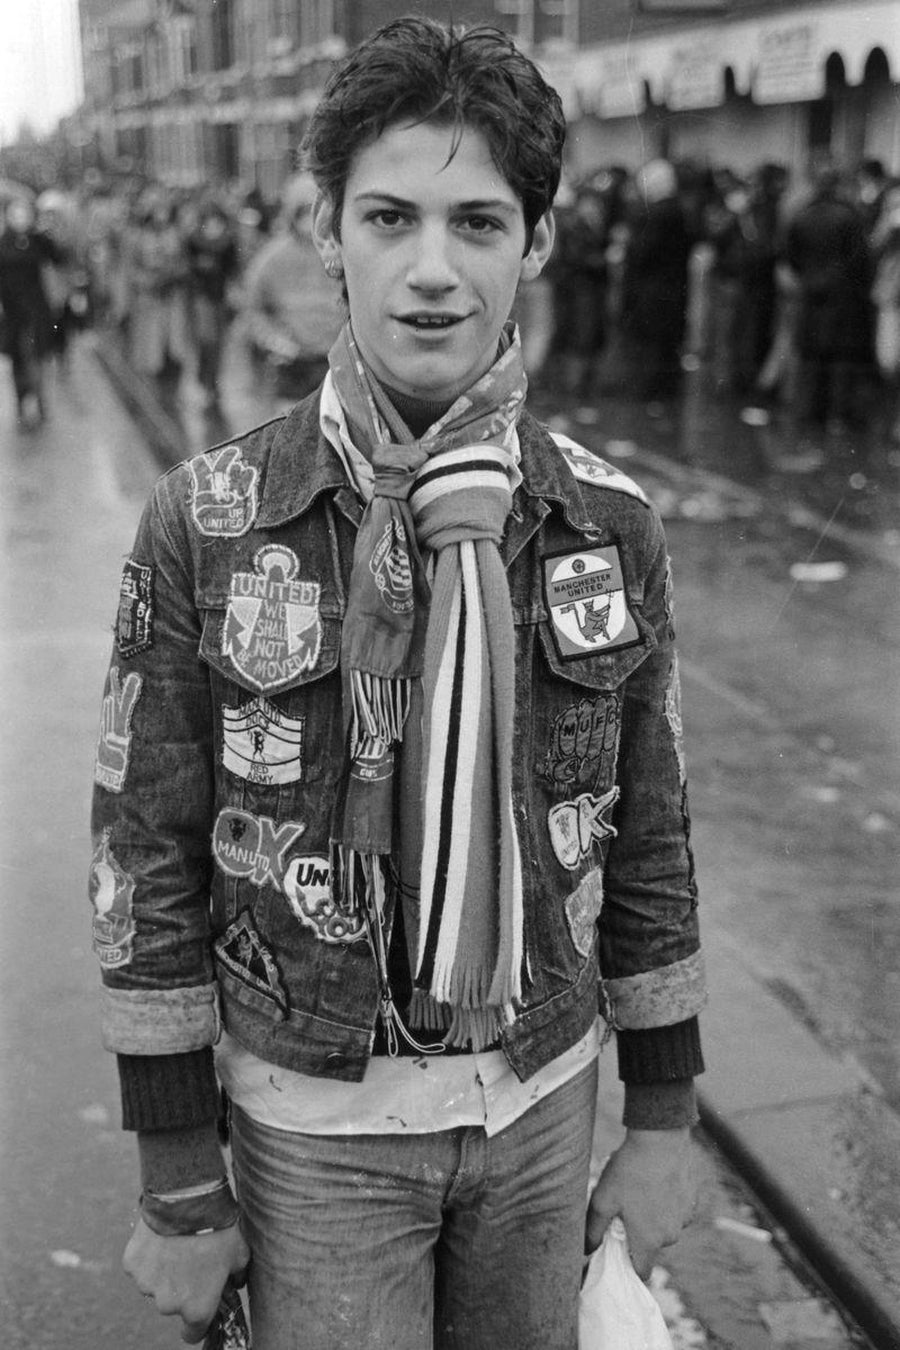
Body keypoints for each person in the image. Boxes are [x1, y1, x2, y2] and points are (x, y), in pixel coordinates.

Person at [89, 18, 705, 1350]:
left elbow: (650, 831)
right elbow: (143, 851)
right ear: (329, 231)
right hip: (314, 1128)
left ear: (536, 242)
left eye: (479, 223)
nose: (433, 269)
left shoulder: (607, 522)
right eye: (389, 217)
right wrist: (180, 1175)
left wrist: (663, 1118)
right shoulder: (212, 517)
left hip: (542, 1102)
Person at [240, 174, 343, 406]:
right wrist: (274, 339)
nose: (309, 220)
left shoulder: (342, 253)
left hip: (336, 362)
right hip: (292, 366)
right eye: (302, 211)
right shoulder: (271, 259)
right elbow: (252, 308)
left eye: (314, 211)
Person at [0, 195, 63, 426]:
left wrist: (50, 234)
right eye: (15, 214)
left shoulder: (38, 240)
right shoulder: (3, 242)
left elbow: (58, 257)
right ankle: (21, 404)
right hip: (12, 312)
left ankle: (39, 400)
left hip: (36, 309)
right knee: (18, 361)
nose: (20, 218)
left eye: (24, 214)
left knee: (35, 356)